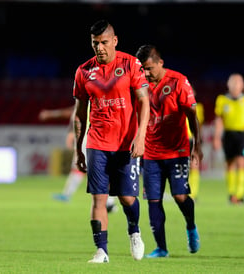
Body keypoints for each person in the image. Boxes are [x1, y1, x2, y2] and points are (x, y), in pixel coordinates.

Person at [73, 20, 150, 263]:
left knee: (128, 198)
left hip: (126, 143)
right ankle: (101, 250)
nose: (99, 48)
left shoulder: (130, 64)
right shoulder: (84, 71)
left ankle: (134, 230)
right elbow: (78, 113)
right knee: (99, 197)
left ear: (114, 41)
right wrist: (79, 148)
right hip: (96, 142)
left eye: (104, 42)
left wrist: (141, 136)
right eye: (95, 43)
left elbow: (144, 101)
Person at [135, 44, 203, 258]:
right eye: (142, 70)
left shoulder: (178, 82)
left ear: (160, 63)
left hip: (177, 151)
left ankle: (191, 226)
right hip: (151, 154)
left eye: (149, 68)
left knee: (180, 195)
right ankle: (161, 247)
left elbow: (192, 116)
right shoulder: (140, 84)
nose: (146, 73)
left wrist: (197, 146)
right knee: (153, 200)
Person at [38, 106, 117, 213]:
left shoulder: (91, 96)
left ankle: (109, 202)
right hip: (98, 136)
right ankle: (109, 202)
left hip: (91, 136)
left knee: (87, 168)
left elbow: (73, 112)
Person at [213, 73, 244, 204]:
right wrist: (217, 137)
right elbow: (219, 119)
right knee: (229, 164)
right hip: (228, 135)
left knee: (241, 162)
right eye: (232, 82)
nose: (235, 85)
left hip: (243, 135)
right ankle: (231, 193)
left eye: (238, 82)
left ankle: (240, 194)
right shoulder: (222, 100)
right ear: (228, 85)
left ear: (242, 85)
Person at [187, 90, 204, 201]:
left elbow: (199, 124)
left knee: (194, 165)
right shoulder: (175, 105)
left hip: (191, 139)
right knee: (179, 168)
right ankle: (182, 192)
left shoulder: (198, 107)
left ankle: (193, 194)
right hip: (179, 140)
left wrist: (197, 141)